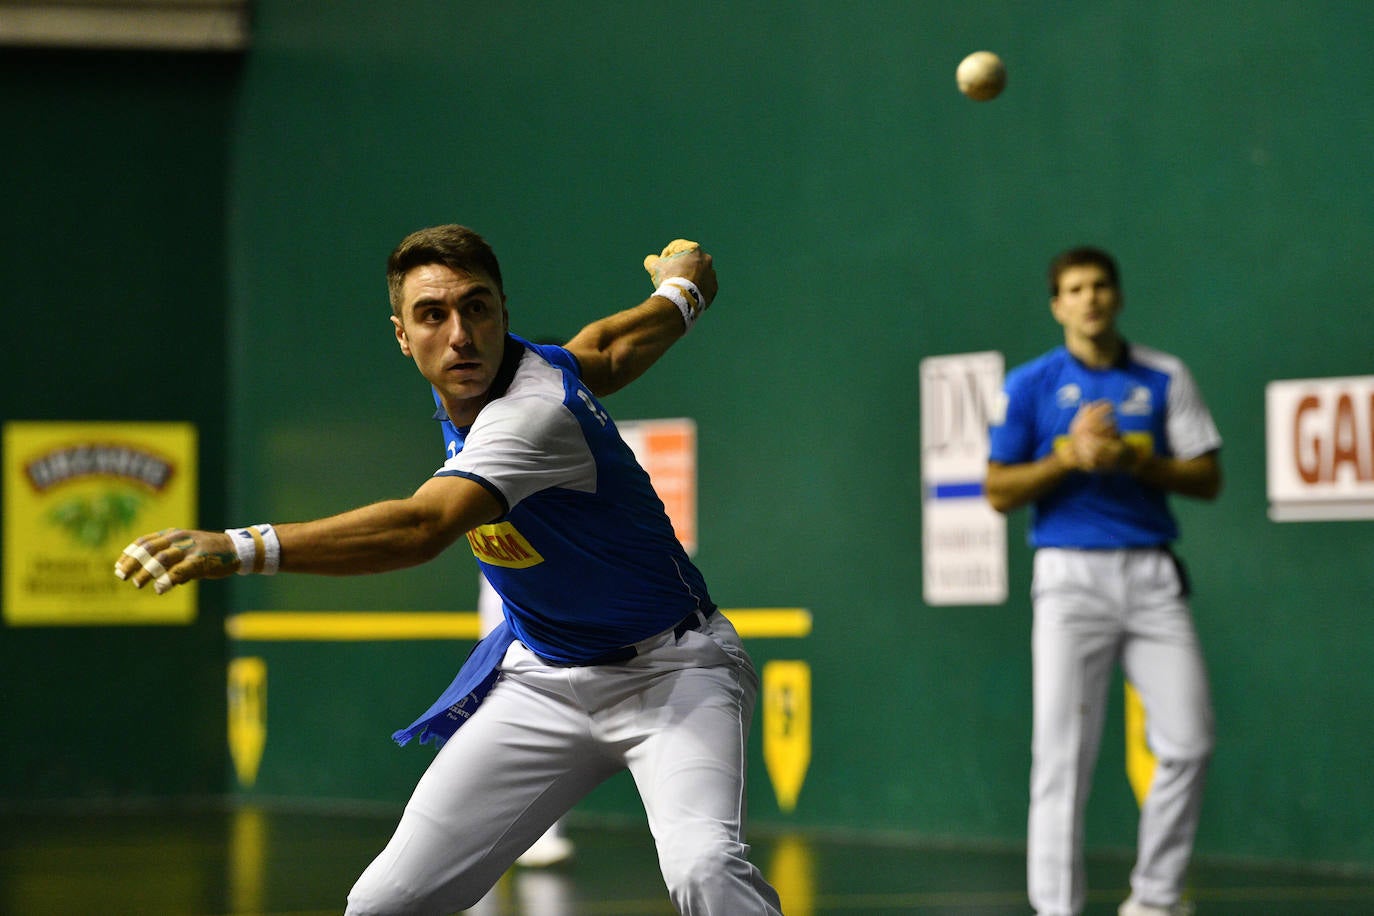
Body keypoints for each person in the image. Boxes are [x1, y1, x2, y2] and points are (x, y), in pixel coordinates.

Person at [114, 224, 783, 916]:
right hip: (545, 681)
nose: (461, 335)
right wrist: (681, 286)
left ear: (503, 315)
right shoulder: (544, 367)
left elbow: (421, 527)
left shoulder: (530, 415)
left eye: (478, 308)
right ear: (402, 335)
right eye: (433, 315)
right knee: (382, 905)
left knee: (705, 868)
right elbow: (610, 349)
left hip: (674, 674)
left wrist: (241, 547)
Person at [984, 246, 1221, 916]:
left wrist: (1133, 461)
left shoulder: (1164, 376)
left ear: (1117, 297)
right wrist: (1069, 457)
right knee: (1061, 757)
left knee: (1190, 741)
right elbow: (998, 489)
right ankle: (1058, 909)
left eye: (1100, 287)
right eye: (1075, 289)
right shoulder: (1028, 385)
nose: (1089, 298)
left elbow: (1207, 477)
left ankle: (1153, 901)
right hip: (1068, 581)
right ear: (1057, 305)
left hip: (1152, 577)